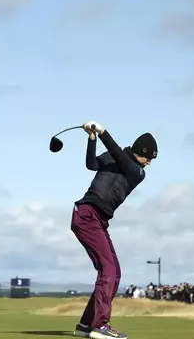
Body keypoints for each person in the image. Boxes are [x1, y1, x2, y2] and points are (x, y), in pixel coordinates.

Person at [71, 121, 157, 339]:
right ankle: (99, 326)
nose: (149, 163)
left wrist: (101, 133)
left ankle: (86, 325)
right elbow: (91, 164)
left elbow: (119, 156)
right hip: (87, 214)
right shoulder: (114, 156)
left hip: (98, 220)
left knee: (114, 272)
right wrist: (93, 137)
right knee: (107, 271)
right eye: (149, 157)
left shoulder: (137, 172)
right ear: (142, 152)